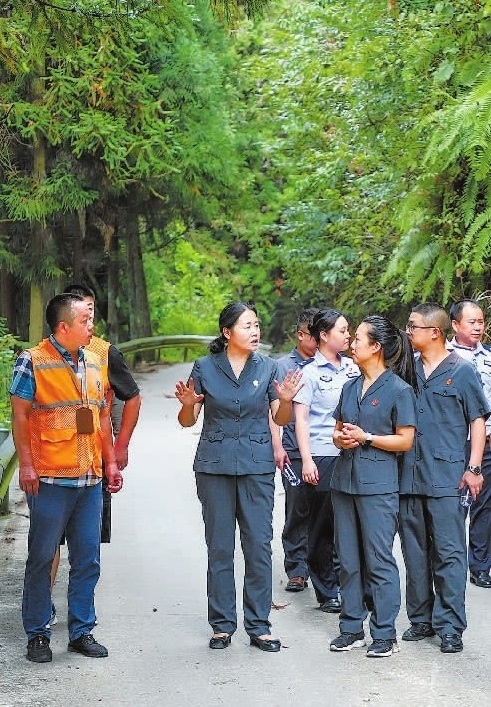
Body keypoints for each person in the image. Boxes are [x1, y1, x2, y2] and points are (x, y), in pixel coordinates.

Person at [175, 302, 303, 653]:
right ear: (227, 332)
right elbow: (188, 420)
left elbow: (280, 419)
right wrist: (186, 403)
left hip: (256, 466)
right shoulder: (204, 367)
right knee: (219, 547)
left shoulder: (269, 367)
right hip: (214, 466)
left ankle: (259, 626)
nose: (255, 331)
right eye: (247, 326)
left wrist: (286, 400)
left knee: (258, 545)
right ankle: (222, 625)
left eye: (257, 325)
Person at [10, 293, 123, 663]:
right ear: (63, 326)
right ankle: (38, 633)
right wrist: (27, 465)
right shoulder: (32, 360)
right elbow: (20, 416)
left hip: (89, 478)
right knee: (42, 558)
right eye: (85, 321)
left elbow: (101, 415)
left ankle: (81, 631)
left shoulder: (94, 360)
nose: (92, 326)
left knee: (88, 558)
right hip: (50, 478)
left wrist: (110, 464)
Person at [48, 284, 141, 627]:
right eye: (82, 315)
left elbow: (125, 400)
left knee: (87, 548)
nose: (89, 322)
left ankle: (81, 620)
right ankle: (45, 606)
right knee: (49, 544)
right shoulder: (41, 358)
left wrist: (118, 449)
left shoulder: (103, 353)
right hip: (52, 467)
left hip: (93, 463)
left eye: (91, 314)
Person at [399, 303, 490, 654]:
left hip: (447, 477)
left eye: (414, 327)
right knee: (415, 551)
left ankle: (450, 626)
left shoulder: (462, 370)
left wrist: (474, 467)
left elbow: (477, 420)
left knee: (449, 553)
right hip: (409, 476)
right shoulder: (407, 368)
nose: (409, 332)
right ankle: (421, 619)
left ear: (434, 332)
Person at [329, 315, 417, 658]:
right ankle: (351, 628)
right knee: (348, 559)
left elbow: (405, 440)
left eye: (358, 339)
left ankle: (384, 633)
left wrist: (367, 437)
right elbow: (337, 431)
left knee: (379, 560)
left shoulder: (399, 390)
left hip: (379, 486)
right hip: (344, 483)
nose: (351, 344)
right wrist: (341, 439)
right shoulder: (350, 386)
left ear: (376, 347)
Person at [291, 308, 359, 612]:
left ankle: (350, 585)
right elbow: (302, 420)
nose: (347, 335)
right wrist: (307, 460)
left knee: (349, 524)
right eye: (342, 331)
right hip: (323, 454)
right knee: (322, 524)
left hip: (353, 452)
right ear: (323, 335)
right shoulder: (308, 373)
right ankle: (326, 589)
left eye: (348, 330)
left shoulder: (354, 367)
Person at [270, 308, 318, 593]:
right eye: (314, 335)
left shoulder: (334, 363)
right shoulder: (283, 366)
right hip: (292, 448)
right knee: (297, 508)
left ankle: (323, 566)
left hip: (324, 448)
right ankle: (297, 568)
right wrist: (277, 446)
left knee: (324, 511)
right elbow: (272, 408)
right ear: (301, 335)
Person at [448, 299, 491, 589]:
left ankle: (481, 566)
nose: (478, 327)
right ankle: (451, 566)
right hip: (455, 442)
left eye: (481, 322)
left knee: (485, 505)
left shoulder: (489, 356)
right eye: (471, 322)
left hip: (486, 441)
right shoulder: (443, 356)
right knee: (454, 507)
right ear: (455, 324)